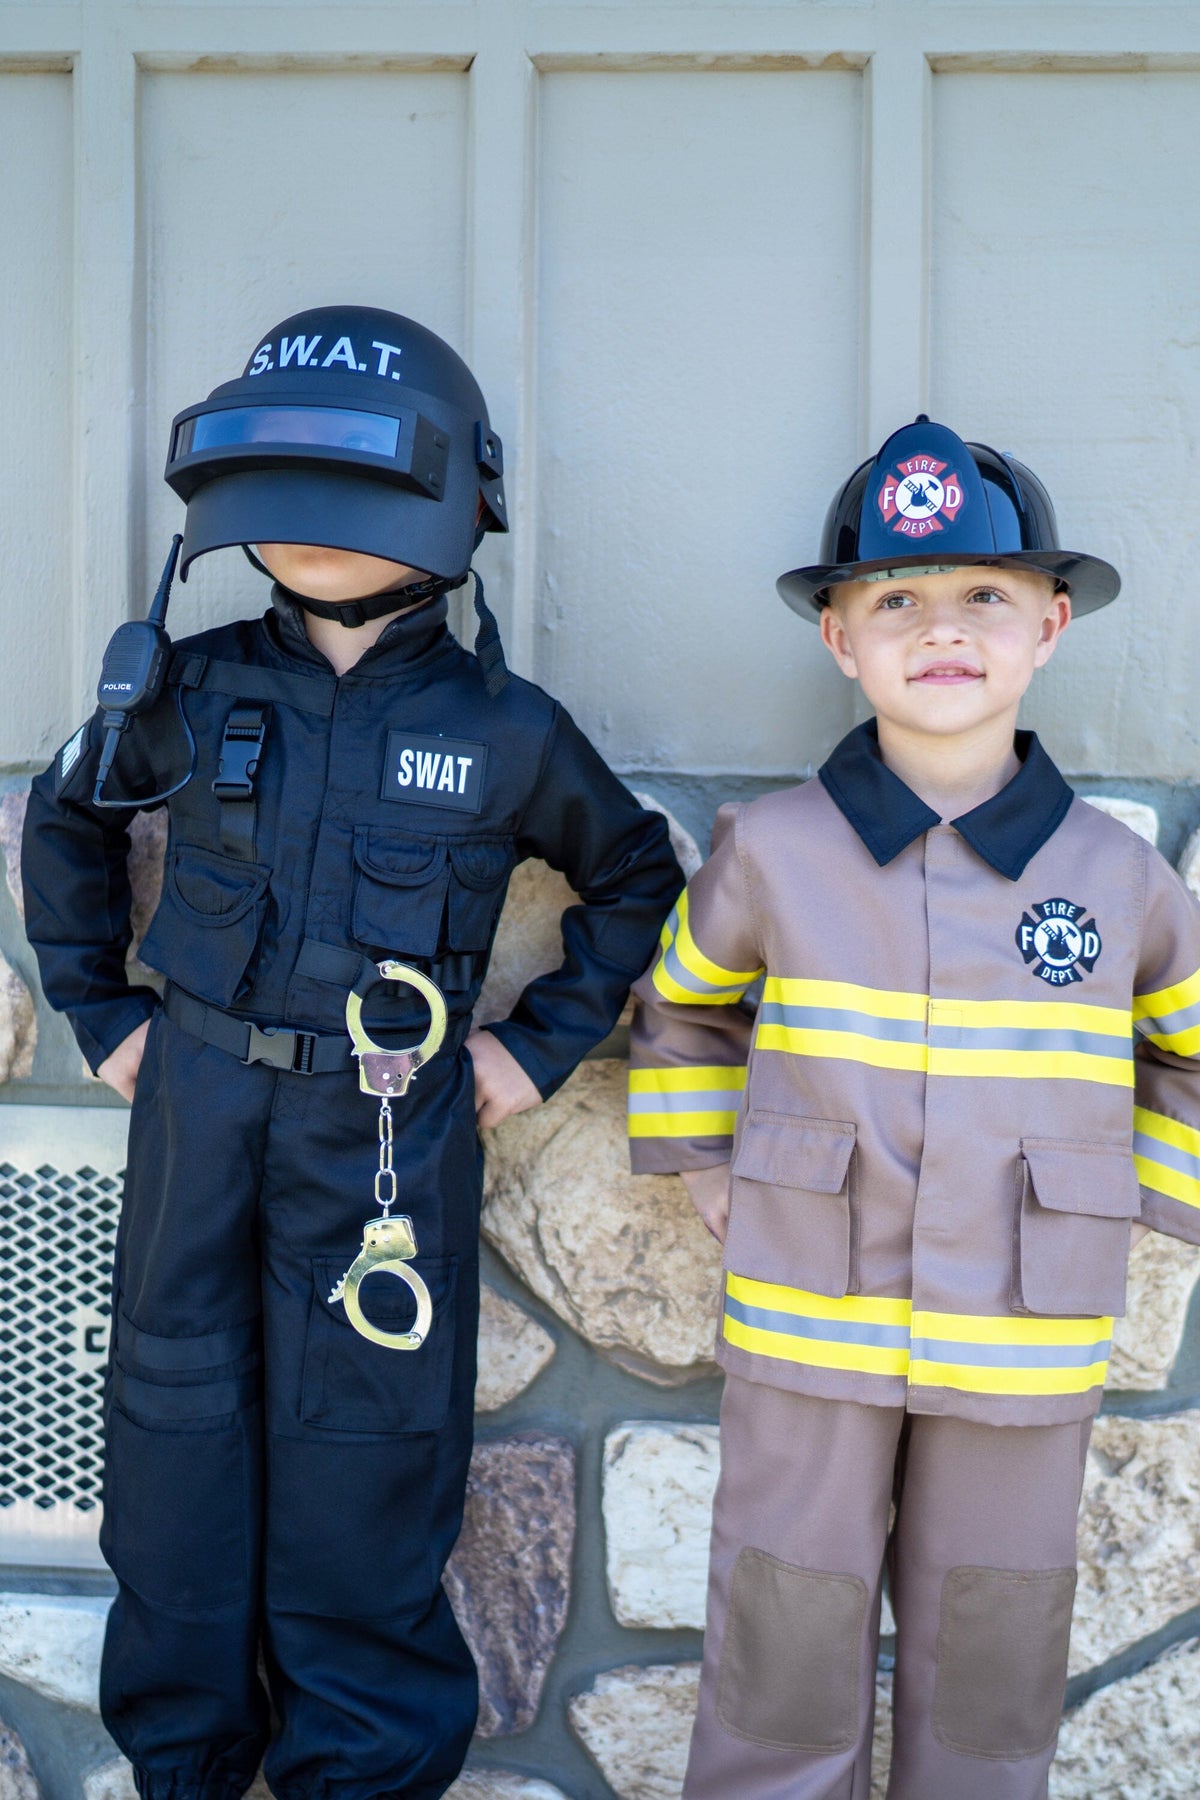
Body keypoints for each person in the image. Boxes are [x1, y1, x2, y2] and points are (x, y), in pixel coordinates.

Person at [22, 304, 683, 1800]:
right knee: (174, 1430)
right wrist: (104, 1015)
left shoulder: (504, 729)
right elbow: (67, 818)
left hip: (388, 1125)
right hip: (197, 1104)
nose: (315, 525)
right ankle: (186, 1761)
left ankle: (360, 1772)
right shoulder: (188, 686)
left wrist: (533, 1051)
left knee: (367, 1455)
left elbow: (636, 875)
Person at [627, 415, 1200, 1799]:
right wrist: (707, 1165)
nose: (941, 629)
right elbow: (684, 1006)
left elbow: (1190, 1053)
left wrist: (1132, 1206)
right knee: (781, 1642)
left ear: (1049, 625)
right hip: (809, 1318)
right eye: (895, 600)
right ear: (840, 639)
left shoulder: (1116, 880)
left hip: (1023, 1339)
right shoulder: (773, 850)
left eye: (984, 595)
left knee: (995, 1659)